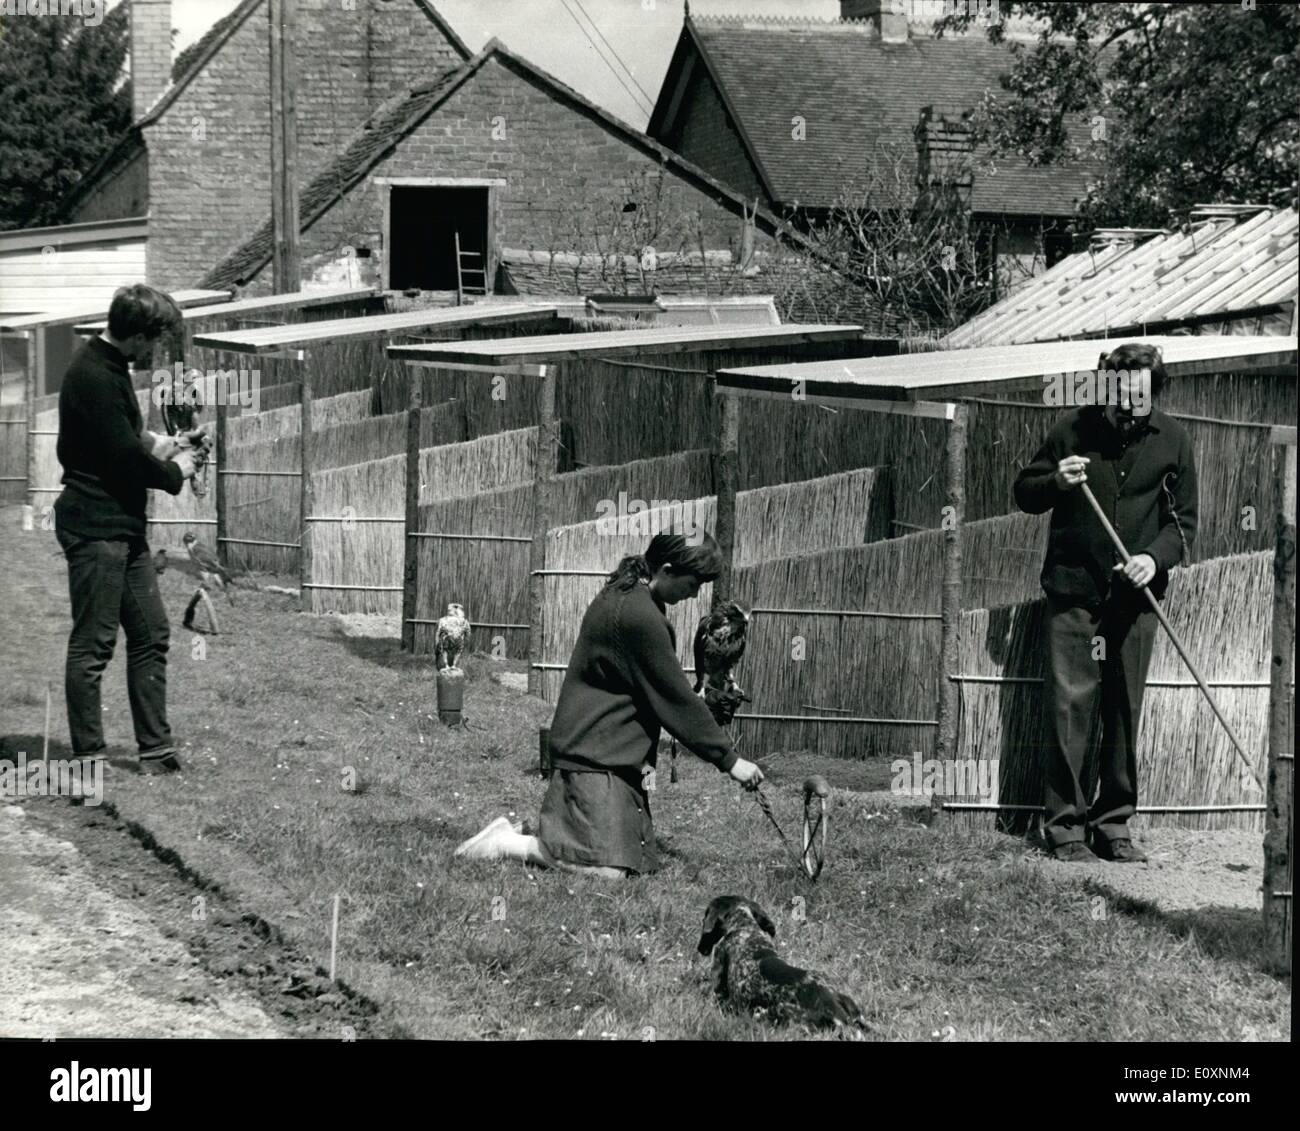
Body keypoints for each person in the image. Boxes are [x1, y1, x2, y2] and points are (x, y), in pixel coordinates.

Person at [455, 531, 765, 878]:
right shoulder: (638, 616)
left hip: (613, 756)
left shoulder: (631, 593)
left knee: (635, 862)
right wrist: (729, 760)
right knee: (609, 871)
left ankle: (559, 836)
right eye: (693, 584)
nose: (695, 594)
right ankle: (509, 843)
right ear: (666, 569)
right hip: (590, 755)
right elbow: (674, 697)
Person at [1014, 343, 1198, 863]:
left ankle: (1113, 824)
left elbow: (1183, 525)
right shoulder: (1073, 429)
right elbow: (1024, 492)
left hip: (1133, 600)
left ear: (1154, 394)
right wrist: (1056, 480)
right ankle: (1065, 828)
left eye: (1139, 395)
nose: (1127, 405)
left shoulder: (1175, 441)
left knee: (1123, 710)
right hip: (1074, 592)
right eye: (1119, 392)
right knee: (1069, 708)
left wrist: (1153, 559)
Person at [53, 284, 203, 774]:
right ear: (139, 334)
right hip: (96, 527)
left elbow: (124, 437)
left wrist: (171, 441)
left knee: (151, 633)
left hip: (121, 525)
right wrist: (178, 470)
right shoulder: (93, 374)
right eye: (155, 341)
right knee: (93, 646)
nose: (154, 352)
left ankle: (156, 753)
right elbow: (122, 459)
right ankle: (87, 761)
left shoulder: (106, 365)